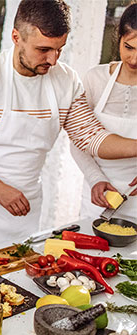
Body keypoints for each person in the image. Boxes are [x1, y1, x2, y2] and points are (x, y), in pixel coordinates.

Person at [0, 0, 137, 257]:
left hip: (28, 206)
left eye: (59, 49)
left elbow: (92, 138)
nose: (53, 60)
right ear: (16, 37)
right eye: (43, 49)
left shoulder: (66, 81)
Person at [70, 3, 137, 223]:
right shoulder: (95, 79)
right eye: (129, 47)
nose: (134, 60)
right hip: (98, 199)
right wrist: (95, 178)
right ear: (118, 38)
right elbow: (78, 140)